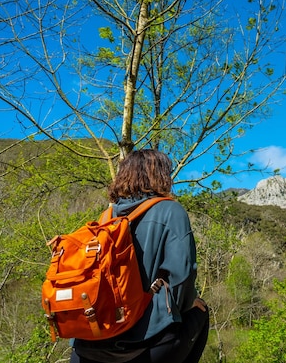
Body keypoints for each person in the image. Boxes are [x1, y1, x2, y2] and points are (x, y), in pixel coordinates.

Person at [70, 149, 209, 363]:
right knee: (200, 311)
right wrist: (185, 305)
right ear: (161, 176)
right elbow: (183, 275)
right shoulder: (170, 210)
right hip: (145, 342)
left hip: (93, 337)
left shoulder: (107, 216)